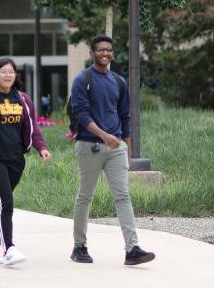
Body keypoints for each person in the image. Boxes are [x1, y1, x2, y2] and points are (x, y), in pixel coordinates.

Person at [69, 35, 155, 266]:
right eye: (100, 50)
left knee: (123, 196)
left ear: (112, 53)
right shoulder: (82, 80)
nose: (105, 53)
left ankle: (132, 249)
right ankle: (79, 247)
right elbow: (82, 114)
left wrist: (126, 146)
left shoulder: (119, 81)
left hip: (117, 147)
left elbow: (124, 116)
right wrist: (104, 135)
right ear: (92, 54)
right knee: (85, 196)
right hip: (90, 145)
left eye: (108, 50)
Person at [0, 58, 52, 266]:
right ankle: (8, 248)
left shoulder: (22, 99)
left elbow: (32, 127)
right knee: (6, 201)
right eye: (3, 72)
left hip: (16, 159)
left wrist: (41, 147)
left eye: (11, 72)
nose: (8, 75)